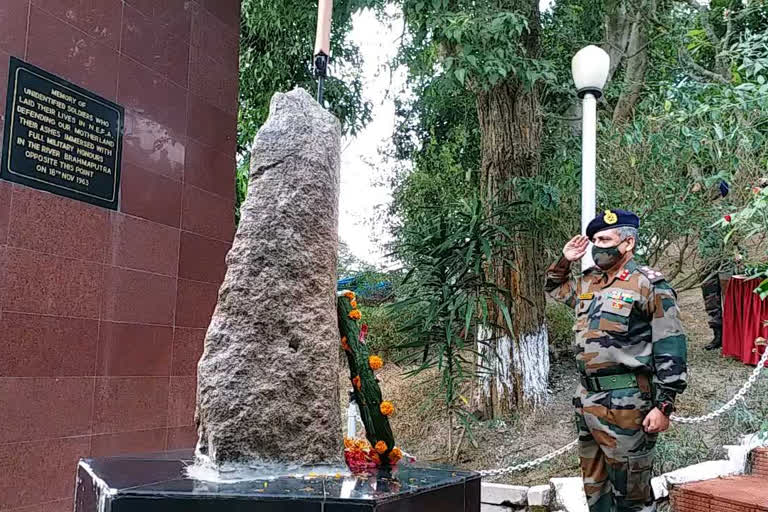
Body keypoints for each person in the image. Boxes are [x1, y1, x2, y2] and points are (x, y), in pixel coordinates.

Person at [545, 209, 688, 512]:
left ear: (627, 243)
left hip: (628, 402)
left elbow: (671, 346)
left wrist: (664, 405)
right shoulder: (589, 282)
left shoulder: (648, 284)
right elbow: (555, 286)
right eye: (595, 239)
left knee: (632, 497)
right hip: (587, 399)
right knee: (596, 491)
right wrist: (566, 260)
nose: (598, 246)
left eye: (605, 239)